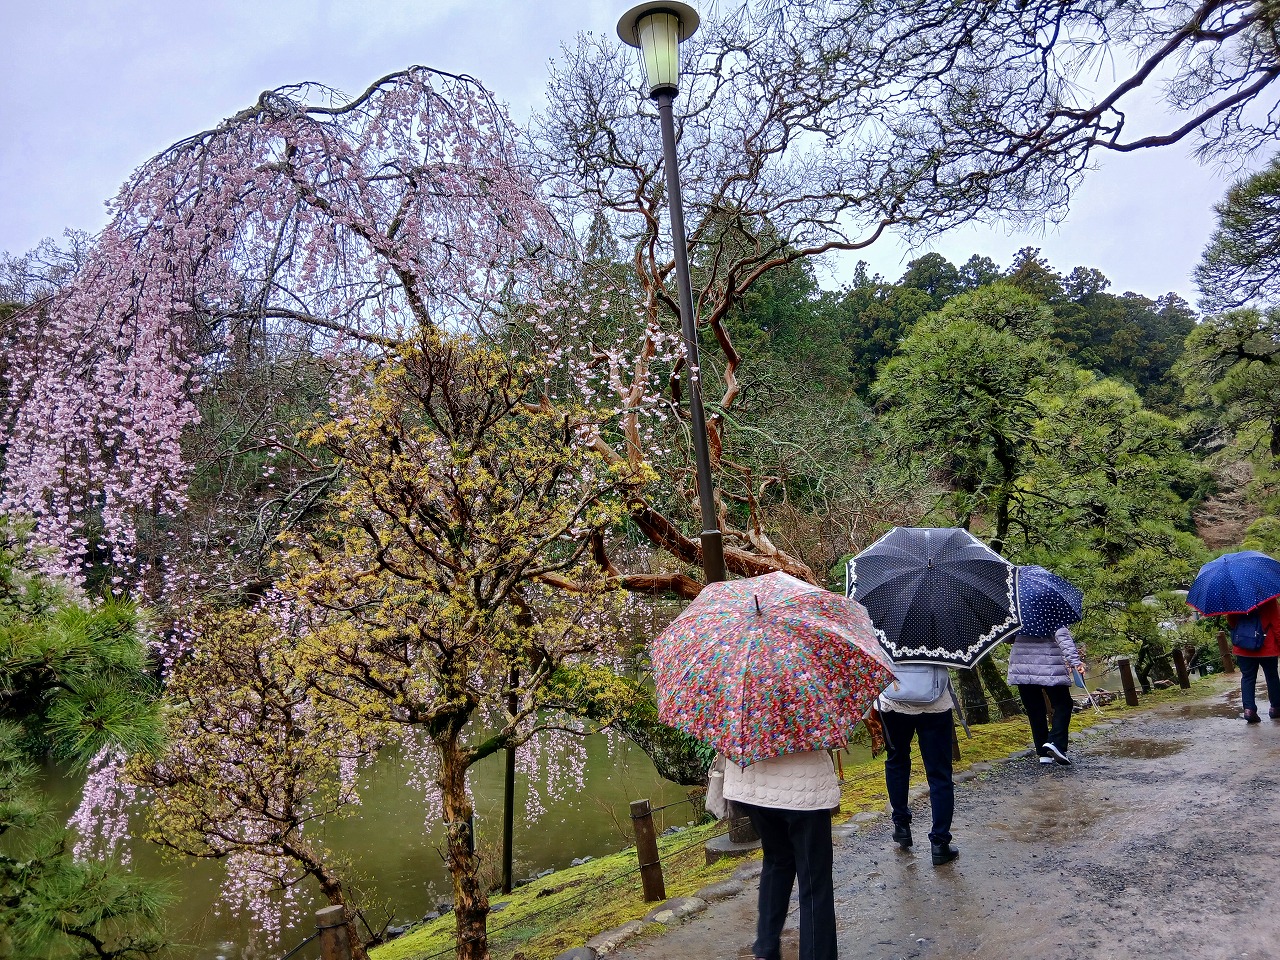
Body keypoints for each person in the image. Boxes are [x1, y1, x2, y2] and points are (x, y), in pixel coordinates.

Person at [721, 750, 839, 960]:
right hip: (804, 788)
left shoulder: (740, 716)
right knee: (815, 881)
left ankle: (766, 948)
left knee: (776, 861)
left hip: (754, 786)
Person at [878, 669, 960, 866]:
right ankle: (940, 843)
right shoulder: (942, 636)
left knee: (897, 760)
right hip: (936, 702)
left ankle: (901, 826)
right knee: (939, 773)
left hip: (894, 699)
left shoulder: (886, 635)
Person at [1007, 626, 1085, 765]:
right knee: (1063, 704)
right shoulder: (1051, 610)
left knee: (1035, 711)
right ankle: (1055, 742)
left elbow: (1007, 638)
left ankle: (1043, 754)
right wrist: (1075, 663)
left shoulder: (1016, 612)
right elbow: (1063, 638)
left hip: (1022, 667)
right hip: (1049, 665)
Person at [1227, 597, 1280, 723]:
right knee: (1272, 676)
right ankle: (1276, 708)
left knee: (1247, 677)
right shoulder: (1269, 600)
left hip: (1244, 646)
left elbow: (1232, 622)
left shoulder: (1236, 599)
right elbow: (1277, 624)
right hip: (1267, 646)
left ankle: (1249, 710)